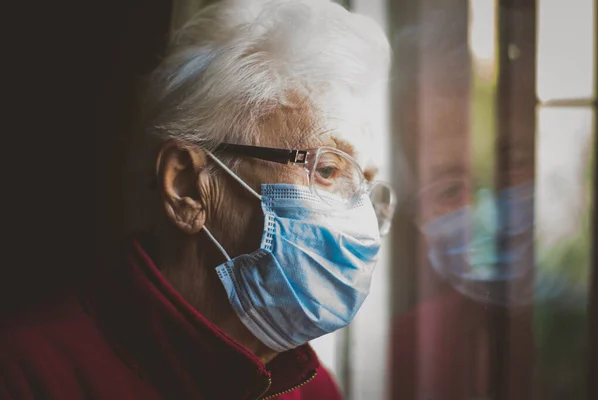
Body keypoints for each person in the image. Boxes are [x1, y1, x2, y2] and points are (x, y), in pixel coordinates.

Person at [1, 0, 393, 398]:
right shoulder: (28, 374)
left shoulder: (315, 389)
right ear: (188, 187)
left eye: (365, 184)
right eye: (327, 169)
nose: (360, 219)